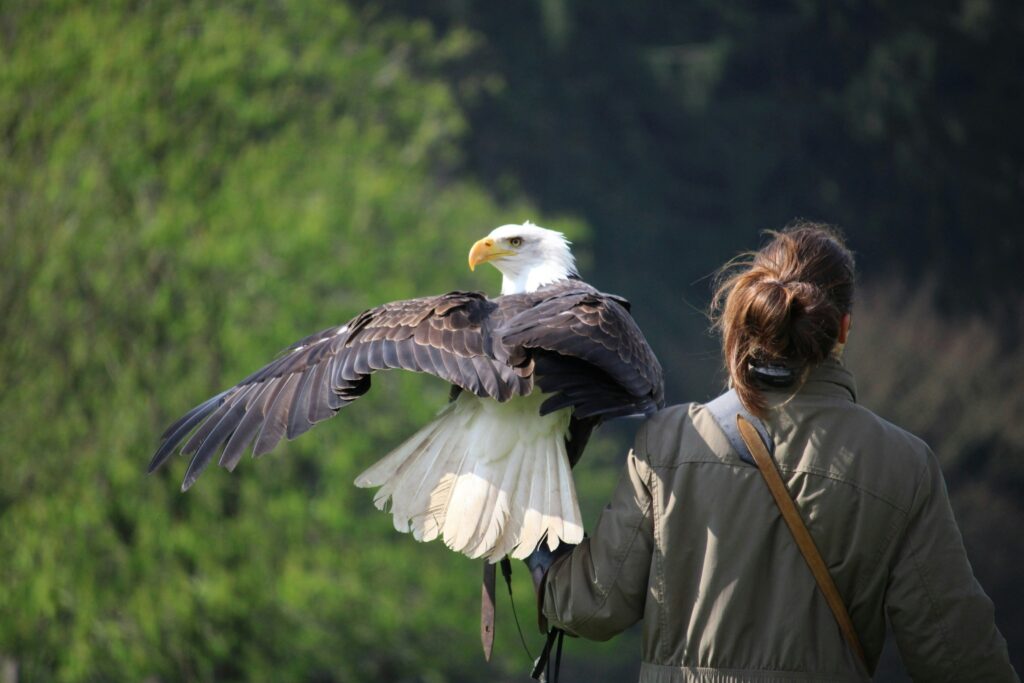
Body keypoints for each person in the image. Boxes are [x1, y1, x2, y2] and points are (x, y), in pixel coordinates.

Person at [528, 223, 1019, 682]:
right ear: (843, 329)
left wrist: (527, 529)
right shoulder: (903, 465)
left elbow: (593, 607)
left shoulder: (668, 440)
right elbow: (958, 657)